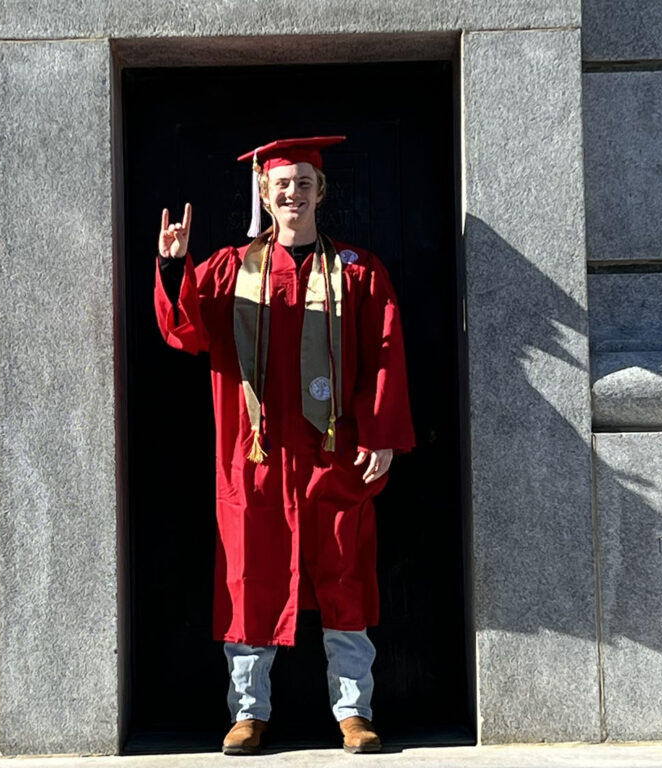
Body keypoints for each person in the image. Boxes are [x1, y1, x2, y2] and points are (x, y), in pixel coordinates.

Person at [154, 136, 414, 755]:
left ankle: (354, 712)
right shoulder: (227, 269)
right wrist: (173, 268)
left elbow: (384, 353)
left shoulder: (359, 269)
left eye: (303, 182)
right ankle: (248, 713)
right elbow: (185, 332)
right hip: (257, 457)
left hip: (333, 454)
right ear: (265, 195)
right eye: (280, 184)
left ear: (321, 192)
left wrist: (379, 434)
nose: (292, 192)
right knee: (251, 578)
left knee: (345, 576)